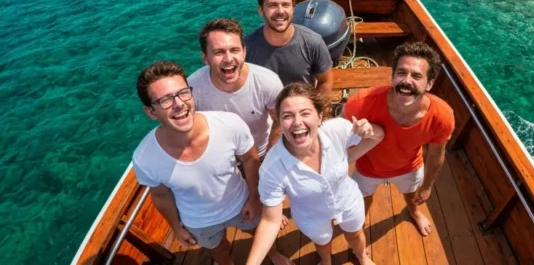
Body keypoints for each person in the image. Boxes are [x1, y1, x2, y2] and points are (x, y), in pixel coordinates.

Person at [131, 61, 288, 265]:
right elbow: (160, 195)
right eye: (166, 100)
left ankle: (273, 254)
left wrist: (254, 198)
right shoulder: (145, 157)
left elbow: (250, 160)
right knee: (219, 250)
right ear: (151, 112)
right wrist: (177, 228)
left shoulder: (228, 125)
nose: (179, 104)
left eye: (183, 93)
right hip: (199, 220)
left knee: (259, 231)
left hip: (240, 201)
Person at [246, 83, 383, 265]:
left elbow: (379, 136)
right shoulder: (272, 167)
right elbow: (270, 222)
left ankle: (362, 256)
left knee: (355, 233)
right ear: (279, 121)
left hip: (348, 201)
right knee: (322, 241)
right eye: (287, 116)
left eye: (305, 113)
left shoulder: (337, 129)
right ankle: (326, 261)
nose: (297, 122)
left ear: (319, 117)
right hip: (311, 215)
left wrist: (366, 135)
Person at [343, 42, 455, 237]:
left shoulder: (442, 116)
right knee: (363, 199)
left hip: (409, 167)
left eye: (417, 76)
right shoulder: (360, 103)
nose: (407, 81)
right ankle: (359, 223)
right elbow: (339, 144)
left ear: (429, 83)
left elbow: (437, 154)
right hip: (368, 167)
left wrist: (427, 186)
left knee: (412, 196)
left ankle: (413, 212)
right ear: (393, 77)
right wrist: (356, 134)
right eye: (401, 73)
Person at [188, 18, 283, 158]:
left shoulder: (267, 81)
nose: (228, 58)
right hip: (219, 161)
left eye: (234, 50)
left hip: (261, 156)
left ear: (244, 52)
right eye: (219, 52)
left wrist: (270, 154)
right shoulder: (192, 88)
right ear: (205, 58)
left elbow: (281, 118)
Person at [245, 0, 334, 103]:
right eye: (272, 5)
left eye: (286, 5)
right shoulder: (247, 47)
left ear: (293, 8)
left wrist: (316, 111)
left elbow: (325, 82)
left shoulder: (313, 42)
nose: (280, 11)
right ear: (261, 10)